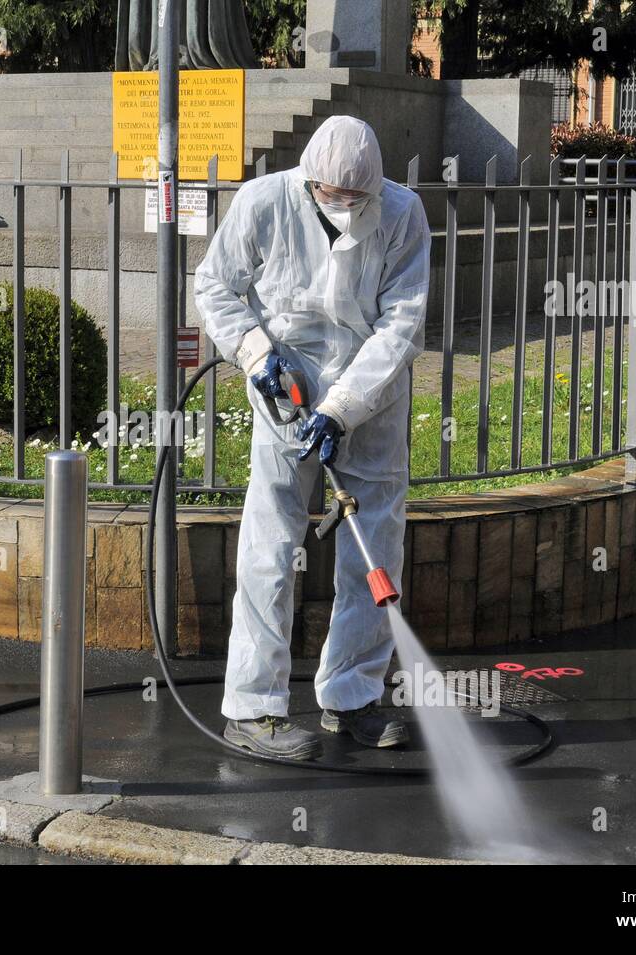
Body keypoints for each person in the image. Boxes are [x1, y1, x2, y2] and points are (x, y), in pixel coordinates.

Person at [194, 115, 430, 759]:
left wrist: (344, 407)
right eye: (334, 194)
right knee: (271, 550)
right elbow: (215, 285)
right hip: (285, 394)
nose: (347, 206)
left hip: (371, 403)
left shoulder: (403, 214)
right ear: (309, 182)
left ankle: (352, 698)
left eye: (359, 198)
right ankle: (253, 706)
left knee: (374, 553)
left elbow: (402, 326)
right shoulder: (264, 201)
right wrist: (253, 350)